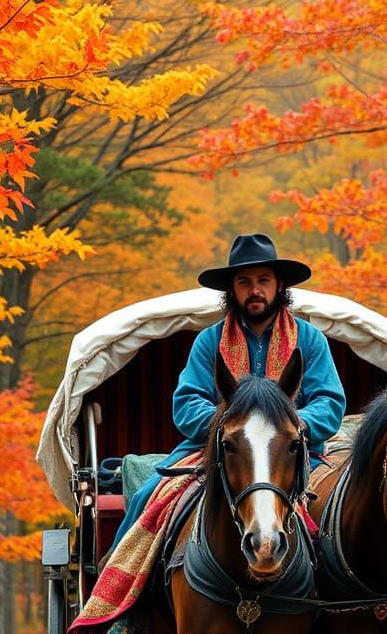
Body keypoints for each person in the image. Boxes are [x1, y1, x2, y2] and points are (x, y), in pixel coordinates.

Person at [112, 232, 347, 544]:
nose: (255, 290)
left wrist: (289, 428)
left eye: (263, 280)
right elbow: (186, 403)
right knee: (147, 495)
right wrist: (232, 427)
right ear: (231, 291)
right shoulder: (209, 341)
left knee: (347, 503)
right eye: (244, 282)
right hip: (221, 450)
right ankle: (122, 582)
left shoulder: (309, 338)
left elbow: (329, 403)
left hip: (297, 453)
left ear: (279, 286)